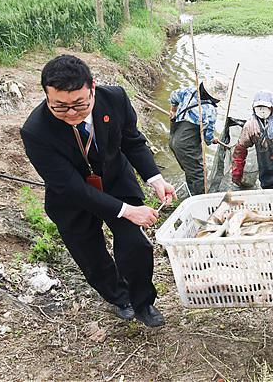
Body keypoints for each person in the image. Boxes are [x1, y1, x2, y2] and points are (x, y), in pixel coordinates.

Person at [21, 55, 176, 328]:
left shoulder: (114, 99)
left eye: (79, 104)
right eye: (60, 106)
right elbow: (72, 188)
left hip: (116, 181)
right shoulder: (36, 131)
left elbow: (133, 142)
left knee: (135, 244)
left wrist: (155, 179)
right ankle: (119, 297)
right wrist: (128, 211)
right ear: (47, 96)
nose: (71, 113)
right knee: (90, 255)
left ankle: (143, 302)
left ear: (92, 87)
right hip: (71, 198)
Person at [169, 77, 228, 195]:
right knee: (199, 173)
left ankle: (190, 192)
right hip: (187, 145)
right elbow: (207, 137)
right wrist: (212, 140)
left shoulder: (189, 91)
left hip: (174, 139)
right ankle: (199, 198)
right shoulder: (209, 110)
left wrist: (173, 111)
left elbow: (173, 96)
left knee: (190, 169)